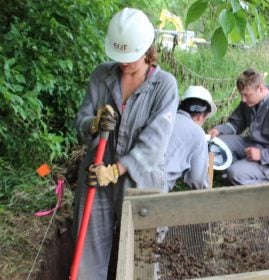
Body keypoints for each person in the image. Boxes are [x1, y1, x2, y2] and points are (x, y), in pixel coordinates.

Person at [72, 7, 179, 280]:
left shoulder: (165, 86)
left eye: (130, 56)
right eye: (119, 56)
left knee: (141, 262)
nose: (124, 63)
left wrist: (116, 170)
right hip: (96, 175)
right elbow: (82, 121)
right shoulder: (101, 75)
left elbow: (154, 143)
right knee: (87, 259)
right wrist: (92, 125)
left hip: (141, 182)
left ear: (147, 49)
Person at [208, 68, 269, 185]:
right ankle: (241, 171)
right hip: (253, 145)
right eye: (241, 95)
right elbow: (236, 124)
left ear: (260, 88)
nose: (243, 99)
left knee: (234, 173)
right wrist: (219, 130)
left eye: (246, 95)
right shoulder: (249, 101)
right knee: (219, 143)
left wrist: (262, 155)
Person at [165, 85, 217, 192]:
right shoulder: (198, 133)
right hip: (156, 187)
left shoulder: (166, 117)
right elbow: (197, 180)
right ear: (200, 116)